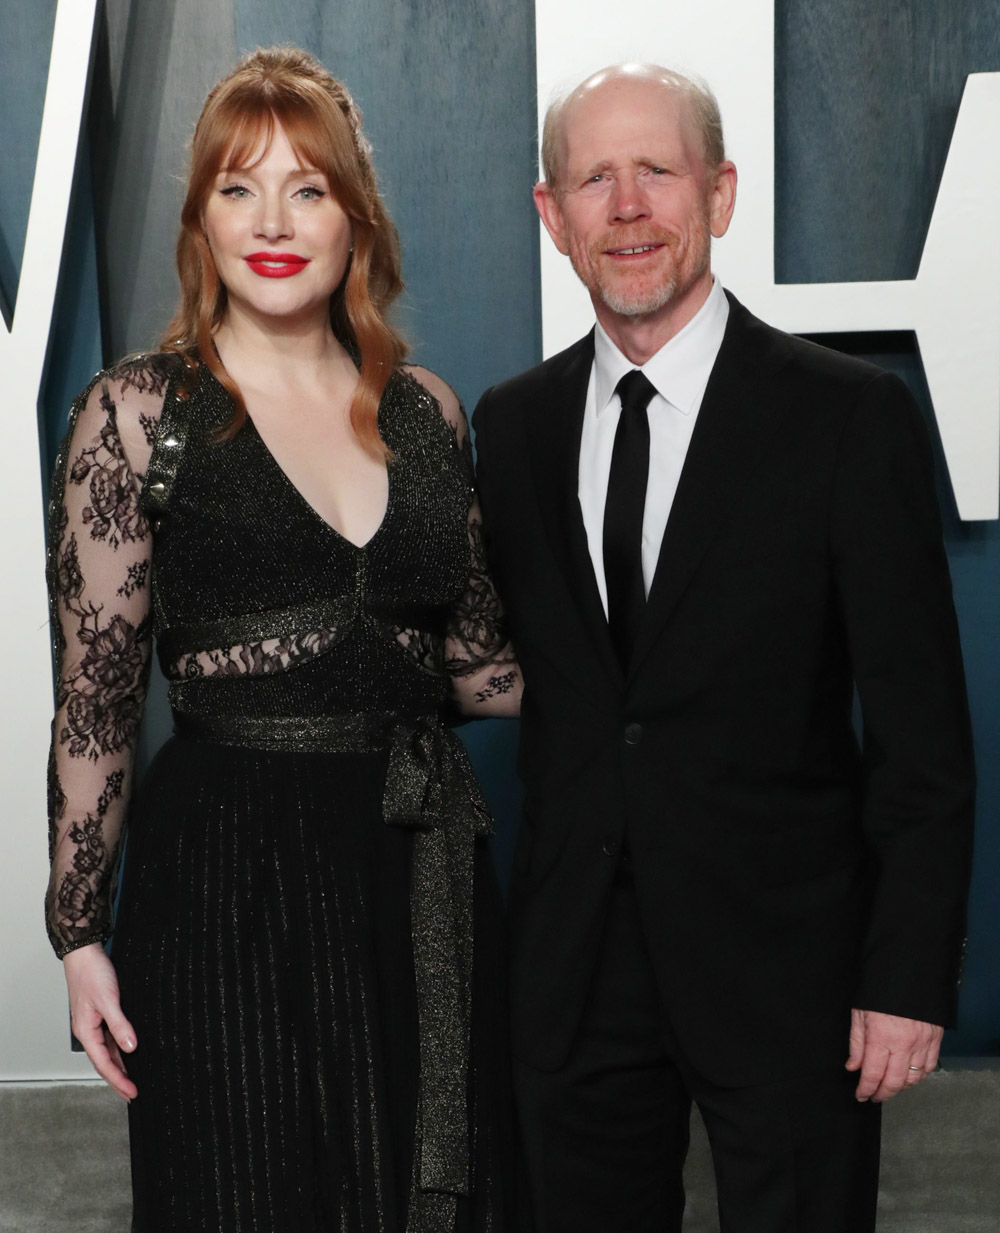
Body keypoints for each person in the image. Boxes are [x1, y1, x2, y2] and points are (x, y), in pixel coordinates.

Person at [472, 63, 974, 1233]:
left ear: (722, 192)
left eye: (658, 170)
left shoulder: (849, 418)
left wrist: (903, 981)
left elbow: (923, 743)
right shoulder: (513, 425)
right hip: (573, 979)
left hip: (791, 979)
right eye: (595, 178)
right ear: (553, 216)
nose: (629, 205)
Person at [45, 46, 521, 1233]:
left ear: (354, 217)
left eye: (306, 188)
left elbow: (477, 668)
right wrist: (76, 937)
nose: (273, 221)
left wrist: (668, 675)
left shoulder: (427, 410)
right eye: (238, 187)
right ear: (199, 217)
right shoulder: (138, 413)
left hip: (416, 870)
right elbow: (96, 703)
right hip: (221, 878)